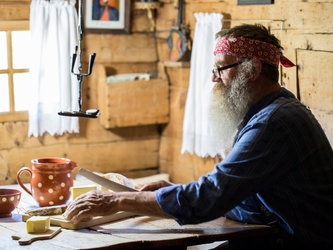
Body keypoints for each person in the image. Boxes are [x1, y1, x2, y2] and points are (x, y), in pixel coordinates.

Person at [64, 24, 333, 249]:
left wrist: (113, 201)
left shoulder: (273, 123)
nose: (214, 78)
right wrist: (170, 193)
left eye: (221, 68)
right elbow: (235, 196)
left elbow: (210, 198)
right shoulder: (272, 111)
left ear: (253, 70)